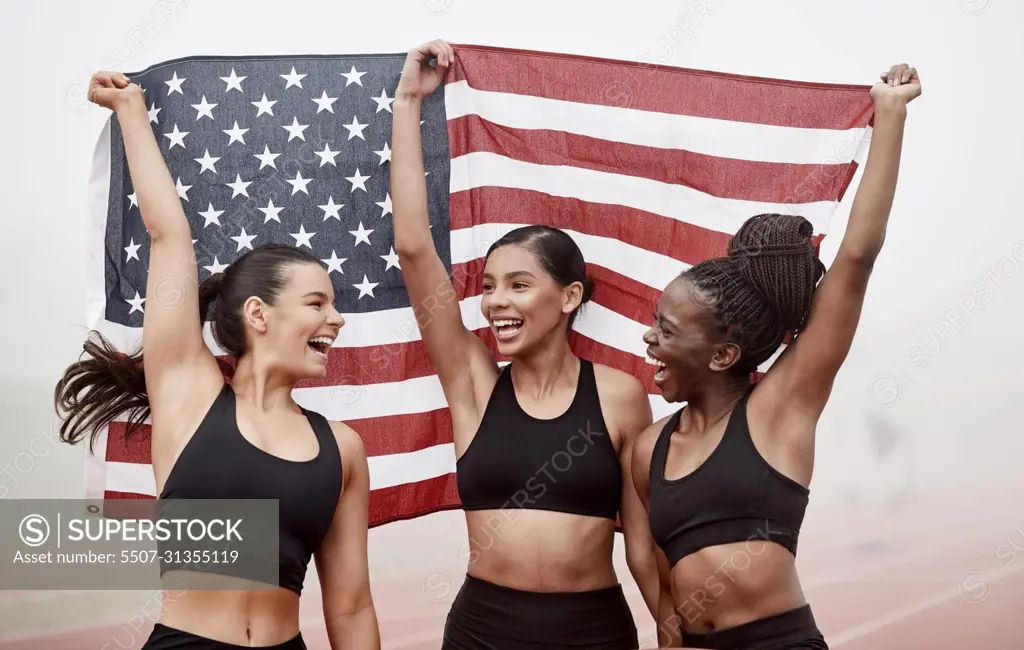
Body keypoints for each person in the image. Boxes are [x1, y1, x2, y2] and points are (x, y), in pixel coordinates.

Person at [53, 72, 380, 650]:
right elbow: (167, 235)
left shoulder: (344, 450)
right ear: (259, 314)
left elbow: (351, 608)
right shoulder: (188, 390)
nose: (337, 319)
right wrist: (130, 109)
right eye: (317, 303)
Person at [391, 41, 672, 649]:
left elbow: (644, 549)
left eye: (519, 285)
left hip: (594, 632)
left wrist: (674, 635)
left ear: (569, 297)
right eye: (489, 287)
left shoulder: (621, 396)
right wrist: (410, 99)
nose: (496, 302)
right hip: (483, 632)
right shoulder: (473, 383)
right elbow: (415, 247)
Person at [632, 63, 922, 649]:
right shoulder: (648, 449)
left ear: (723, 355)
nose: (648, 340)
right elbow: (666, 604)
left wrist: (890, 115)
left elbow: (855, 260)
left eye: (665, 329)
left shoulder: (779, 410)